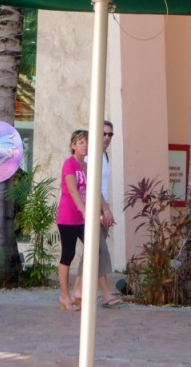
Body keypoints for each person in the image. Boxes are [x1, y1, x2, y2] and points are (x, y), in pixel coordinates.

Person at [73, 120, 121, 307]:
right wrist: (104, 210)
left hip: (100, 210)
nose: (107, 137)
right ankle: (106, 294)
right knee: (100, 251)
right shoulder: (90, 157)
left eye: (110, 134)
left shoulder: (103, 156)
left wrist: (105, 209)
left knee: (91, 253)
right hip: (91, 210)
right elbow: (91, 186)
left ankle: (77, 290)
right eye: (104, 134)